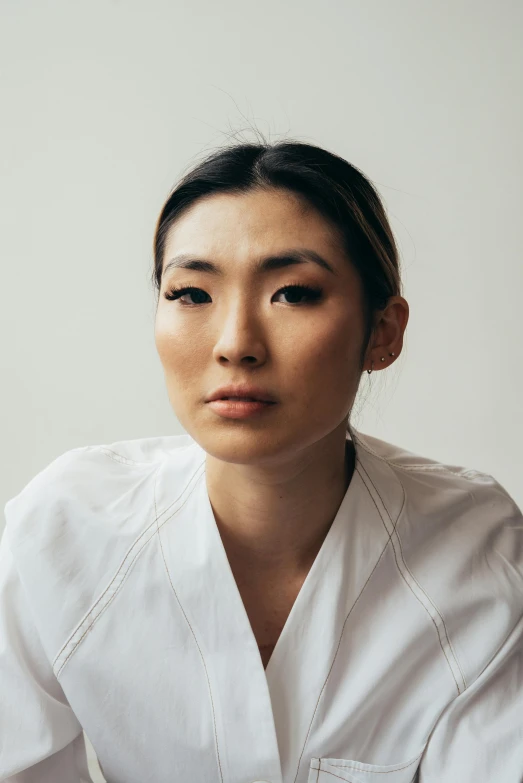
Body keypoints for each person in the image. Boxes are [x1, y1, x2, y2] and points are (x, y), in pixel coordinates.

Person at [1, 139, 522, 783]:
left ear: (383, 331)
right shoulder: (61, 533)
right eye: (192, 293)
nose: (235, 344)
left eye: (294, 293)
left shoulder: (476, 547)